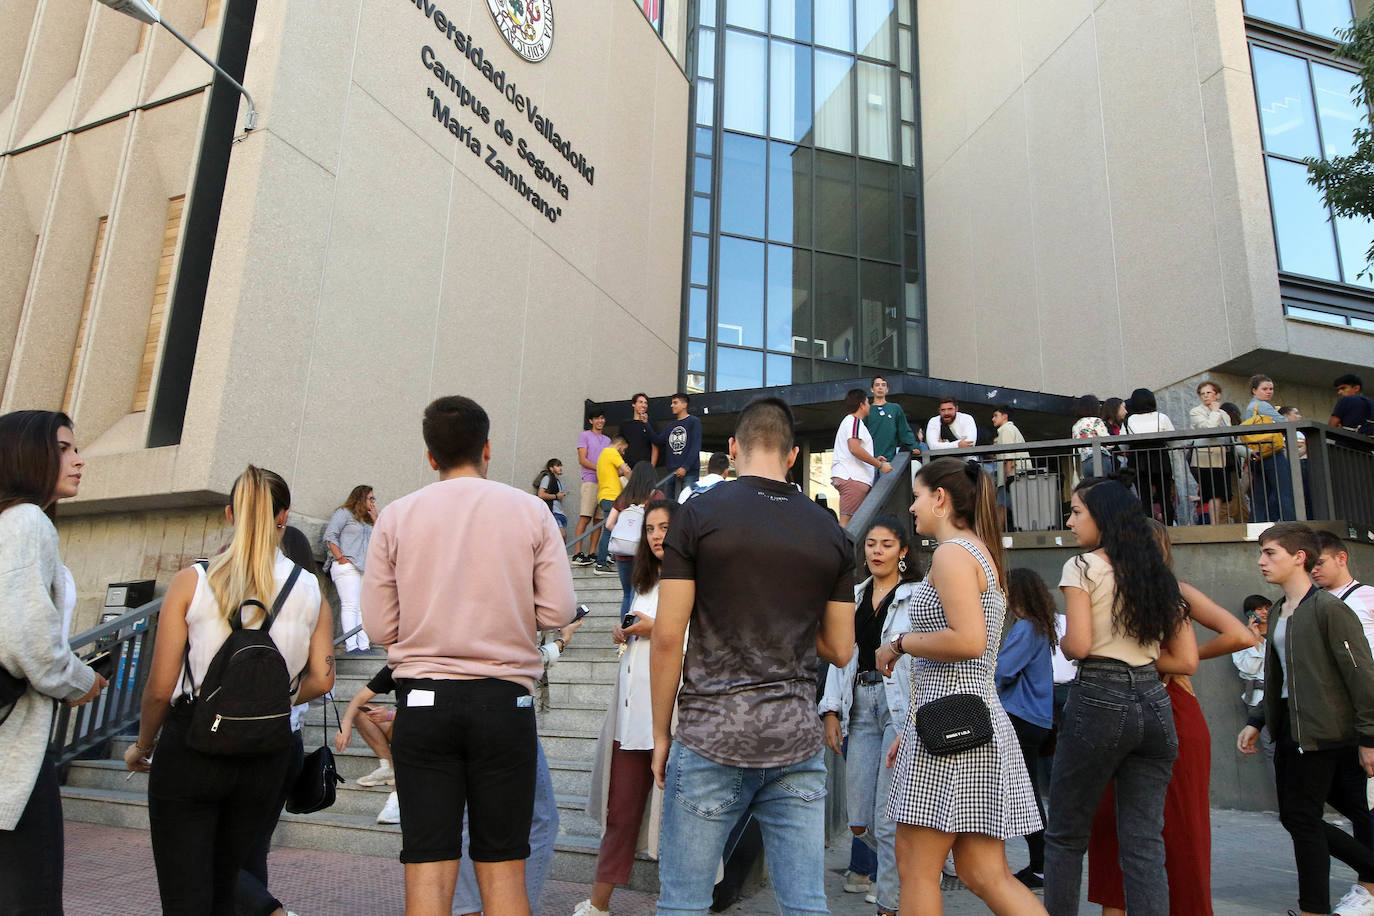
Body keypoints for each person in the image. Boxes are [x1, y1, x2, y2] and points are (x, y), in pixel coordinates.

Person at [360, 395, 576, 916]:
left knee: (428, 876)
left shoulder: (396, 516)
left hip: (423, 705)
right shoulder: (531, 510)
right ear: (487, 449)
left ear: (431, 456)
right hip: (503, 705)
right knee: (504, 876)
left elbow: (378, 626)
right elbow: (559, 609)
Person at [649, 396, 855, 916]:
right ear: (791, 457)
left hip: (709, 734)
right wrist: (781, 616)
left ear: (734, 448)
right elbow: (841, 647)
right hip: (796, 740)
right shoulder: (829, 530)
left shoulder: (698, 514)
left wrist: (659, 734)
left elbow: (668, 635)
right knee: (806, 904)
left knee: (684, 904)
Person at [127, 466, 336, 915]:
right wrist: (268, 703)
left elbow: (161, 688)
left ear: (229, 514)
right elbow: (322, 677)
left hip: (192, 745)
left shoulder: (193, 580)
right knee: (231, 887)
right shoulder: (310, 589)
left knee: (185, 893)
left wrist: (143, 745)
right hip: (266, 751)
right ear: (285, 517)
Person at [875, 458, 1046, 916]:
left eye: (916, 496)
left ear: (940, 498)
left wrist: (900, 643)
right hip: (967, 722)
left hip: (949, 728)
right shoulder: (977, 551)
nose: (911, 507)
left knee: (916, 866)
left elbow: (969, 641)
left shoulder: (953, 554)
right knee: (982, 872)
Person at [1043, 478, 1198, 916]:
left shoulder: (1082, 566)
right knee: (1144, 843)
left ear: (1102, 517)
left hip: (1099, 696)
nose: (1070, 521)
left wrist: (1067, 644)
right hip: (1153, 699)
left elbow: (1077, 645)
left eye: (1076, 512)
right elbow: (1178, 654)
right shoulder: (1154, 572)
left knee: (1066, 834)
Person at [1085, 519, 1255, 916]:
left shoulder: (1118, 591)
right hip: (1166, 705)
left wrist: (1175, 660)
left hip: (1149, 708)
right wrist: (1179, 661)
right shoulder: (1175, 591)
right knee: (1167, 825)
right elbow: (1240, 635)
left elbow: (1241, 638)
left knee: (1147, 826)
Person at [1238, 523, 1374, 916]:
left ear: (1300, 557)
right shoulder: (1280, 610)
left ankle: (1316, 906)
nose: (1262, 561)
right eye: (1261, 553)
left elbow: (1361, 675)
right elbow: (1278, 676)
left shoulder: (1330, 609)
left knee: (1301, 818)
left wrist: (1369, 737)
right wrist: (1258, 719)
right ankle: (1315, 906)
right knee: (1303, 819)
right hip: (1290, 733)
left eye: (1271, 553)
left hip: (1326, 735)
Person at [0, 410, 106, 914]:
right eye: (64, 448)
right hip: (13, 741)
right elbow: (32, 643)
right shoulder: (26, 521)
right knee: (31, 894)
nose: (79, 460)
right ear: (26, 454)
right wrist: (80, 681)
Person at [576, 499, 679, 916]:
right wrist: (627, 632)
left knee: (677, 822)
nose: (657, 535)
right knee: (620, 813)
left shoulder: (694, 580)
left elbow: (705, 642)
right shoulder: (645, 580)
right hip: (631, 714)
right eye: (651, 528)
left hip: (673, 719)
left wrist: (660, 629)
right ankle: (599, 904)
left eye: (665, 527)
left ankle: (679, 904)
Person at [819, 515, 923, 916]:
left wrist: (915, 716)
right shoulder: (856, 594)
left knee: (886, 821)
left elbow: (926, 658)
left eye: (886, 545)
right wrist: (830, 710)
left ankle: (890, 903)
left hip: (898, 706)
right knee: (859, 821)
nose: (876, 551)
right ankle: (916, 872)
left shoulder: (917, 595)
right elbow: (840, 657)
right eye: (871, 544)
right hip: (857, 704)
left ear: (903, 552)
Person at [455, 616, 583, 916]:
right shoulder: (503, 581)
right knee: (541, 818)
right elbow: (523, 653)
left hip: (446, 701)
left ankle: (470, 908)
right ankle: (515, 906)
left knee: (465, 820)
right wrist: (563, 640)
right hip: (502, 704)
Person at [236, 524, 324, 916]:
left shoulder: (247, 601)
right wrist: (283, 698)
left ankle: (273, 912)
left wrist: (260, 698)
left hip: (241, 736)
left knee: (207, 846)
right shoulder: (311, 601)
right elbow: (323, 679)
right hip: (288, 738)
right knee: (254, 850)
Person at [994, 568, 1057, 890]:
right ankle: (1040, 864)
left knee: (1023, 796)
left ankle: (1041, 864)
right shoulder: (1039, 627)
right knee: (1026, 793)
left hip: (1020, 717)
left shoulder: (1026, 628)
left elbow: (1002, 670)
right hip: (1034, 720)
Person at [603, 462, 666, 620]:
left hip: (622, 552)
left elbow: (609, 524)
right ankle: (631, 631)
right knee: (637, 592)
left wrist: (625, 533)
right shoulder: (656, 496)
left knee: (626, 594)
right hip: (642, 552)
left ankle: (623, 633)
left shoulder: (624, 496)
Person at [324, 485, 376, 654]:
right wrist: (340, 556)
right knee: (350, 605)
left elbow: (382, 537)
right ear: (361, 498)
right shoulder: (344, 513)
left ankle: (364, 645)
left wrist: (376, 519)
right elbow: (331, 534)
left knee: (362, 607)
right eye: (370, 498)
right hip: (347, 566)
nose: (373, 502)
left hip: (363, 568)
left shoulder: (367, 520)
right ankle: (352, 646)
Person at [832, 388, 892, 528]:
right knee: (848, 525)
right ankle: (844, 550)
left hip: (851, 478)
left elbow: (855, 449)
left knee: (852, 524)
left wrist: (874, 459)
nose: (869, 405)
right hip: (852, 478)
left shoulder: (850, 422)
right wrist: (880, 465)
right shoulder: (854, 421)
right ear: (861, 405)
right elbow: (854, 448)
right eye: (867, 402)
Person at [1245, 374, 1295, 523]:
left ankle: (1257, 525)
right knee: (1284, 491)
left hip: (1258, 453)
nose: (1269, 392)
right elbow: (1285, 422)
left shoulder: (1250, 407)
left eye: (1271, 389)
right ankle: (1291, 524)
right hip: (1272, 452)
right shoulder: (1263, 405)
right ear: (1254, 390)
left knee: (1260, 495)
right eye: (1264, 389)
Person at [1123, 388, 1177, 525]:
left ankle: (1149, 529)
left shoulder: (1129, 420)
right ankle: (1169, 526)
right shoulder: (1162, 417)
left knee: (1144, 497)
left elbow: (1123, 444)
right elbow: (1173, 439)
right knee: (1165, 496)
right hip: (1159, 457)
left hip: (1138, 460)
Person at [1313, 531, 1374, 647]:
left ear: (1341, 558)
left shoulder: (1369, 595)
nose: (1313, 570)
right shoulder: (1309, 601)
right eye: (1310, 565)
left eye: (1319, 563)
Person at [1188, 381, 1231, 525]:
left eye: (1209, 393)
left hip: (1222, 457)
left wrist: (1248, 452)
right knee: (1213, 493)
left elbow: (1230, 436)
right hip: (1205, 457)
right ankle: (1215, 525)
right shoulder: (1196, 411)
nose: (1205, 396)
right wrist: (1214, 412)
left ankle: (1218, 523)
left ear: (1217, 394)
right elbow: (1209, 428)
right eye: (1202, 394)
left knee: (1221, 493)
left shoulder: (1224, 413)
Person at [574, 408, 612, 566]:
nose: (600, 421)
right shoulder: (585, 435)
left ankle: (592, 553)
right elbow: (582, 460)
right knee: (585, 517)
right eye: (597, 418)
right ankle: (577, 553)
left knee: (598, 520)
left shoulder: (608, 440)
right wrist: (600, 468)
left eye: (602, 418)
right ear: (591, 421)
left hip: (604, 484)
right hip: (590, 481)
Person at [594, 434, 632, 573]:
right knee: (608, 531)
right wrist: (635, 483)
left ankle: (608, 556)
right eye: (624, 449)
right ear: (620, 445)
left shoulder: (603, 455)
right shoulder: (612, 452)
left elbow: (615, 475)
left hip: (605, 496)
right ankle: (601, 563)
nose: (623, 453)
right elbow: (627, 470)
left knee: (612, 529)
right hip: (612, 497)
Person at [654, 392, 703, 501]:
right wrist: (646, 424)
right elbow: (657, 440)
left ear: (684, 405)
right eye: (672, 403)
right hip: (672, 470)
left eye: (675, 403)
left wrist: (685, 467)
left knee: (688, 502)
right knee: (668, 503)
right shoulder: (670, 426)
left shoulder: (694, 421)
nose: (672, 405)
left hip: (690, 471)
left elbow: (695, 446)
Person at [991, 405, 1030, 529]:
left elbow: (1009, 454)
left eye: (996, 415)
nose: (993, 419)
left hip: (1014, 474)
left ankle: (998, 534)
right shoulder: (1011, 429)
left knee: (1003, 504)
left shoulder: (1006, 429)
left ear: (1005, 416)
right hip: (1018, 473)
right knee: (1009, 503)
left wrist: (1007, 475)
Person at [868, 375, 916, 463]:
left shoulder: (895, 408)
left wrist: (913, 446)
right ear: (872, 389)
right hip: (870, 461)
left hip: (889, 460)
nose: (880, 388)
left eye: (883, 385)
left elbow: (904, 430)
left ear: (887, 389)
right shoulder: (866, 410)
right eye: (877, 385)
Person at [1070, 395, 1111, 479]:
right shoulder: (1096, 421)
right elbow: (1108, 441)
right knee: (1102, 486)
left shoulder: (1076, 425)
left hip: (1085, 461)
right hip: (1098, 457)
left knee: (1092, 487)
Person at [622, 393, 659, 468]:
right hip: (628, 468)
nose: (643, 405)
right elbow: (620, 447)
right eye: (640, 402)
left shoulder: (651, 424)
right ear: (633, 404)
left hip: (645, 468)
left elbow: (655, 447)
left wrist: (651, 468)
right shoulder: (626, 425)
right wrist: (622, 467)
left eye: (645, 403)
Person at [534, 459, 569, 535]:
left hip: (560, 513)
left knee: (562, 539)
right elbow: (541, 494)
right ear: (551, 468)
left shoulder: (558, 481)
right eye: (557, 466)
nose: (560, 468)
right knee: (561, 536)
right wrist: (556, 496)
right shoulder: (547, 478)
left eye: (560, 466)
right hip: (552, 512)